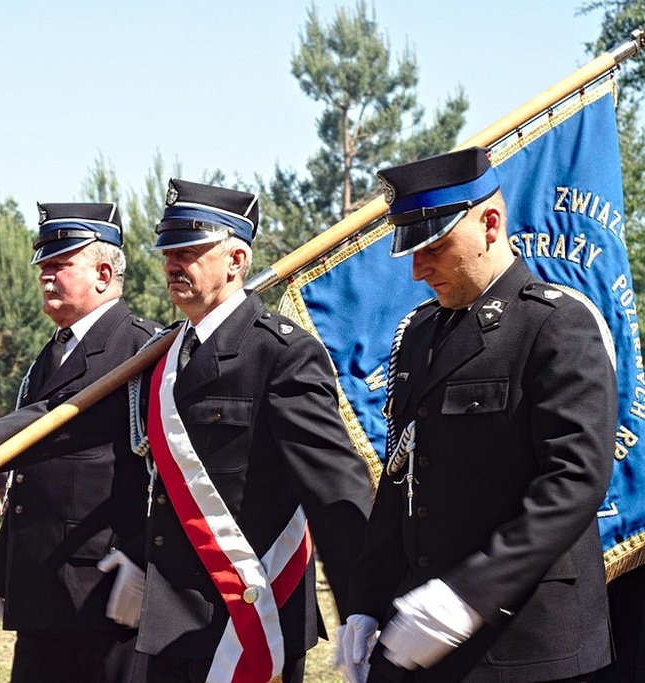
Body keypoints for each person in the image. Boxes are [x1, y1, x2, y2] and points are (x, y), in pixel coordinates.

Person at [337, 147, 616, 681]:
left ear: (490, 223)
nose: (419, 270)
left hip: (523, 643)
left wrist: (469, 594)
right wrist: (366, 600)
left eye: (435, 248)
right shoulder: (421, 332)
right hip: (419, 626)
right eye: (412, 251)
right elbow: (401, 475)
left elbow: (575, 481)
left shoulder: (556, 324)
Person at [126, 179, 372, 683]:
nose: (174, 264)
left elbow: (334, 487)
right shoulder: (164, 357)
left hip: (251, 613)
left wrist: (362, 607)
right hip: (168, 615)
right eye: (168, 252)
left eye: (191, 251)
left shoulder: (282, 353)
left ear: (236, 259)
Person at [0, 202, 160, 683]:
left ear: (102, 272)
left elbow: (167, 472)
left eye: (59, 265)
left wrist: (145, 560)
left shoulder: (143, 349)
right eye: (43, 267)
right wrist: (8, 566)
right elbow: (34, 470)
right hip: (43, 585)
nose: (46, 277)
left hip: (109, 585)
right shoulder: (52, 352)